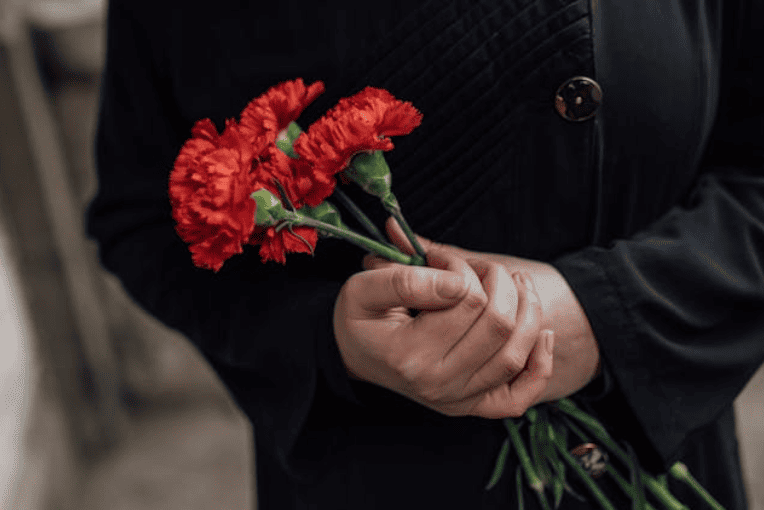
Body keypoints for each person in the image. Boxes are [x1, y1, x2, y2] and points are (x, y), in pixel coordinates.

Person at [86, 0, 763, 508]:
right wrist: (325, 336)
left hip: (658, 455)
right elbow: (143, 218)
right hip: (376, 481)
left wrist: (608, 312)